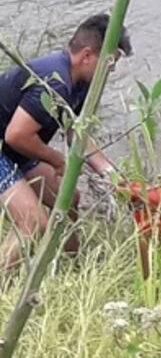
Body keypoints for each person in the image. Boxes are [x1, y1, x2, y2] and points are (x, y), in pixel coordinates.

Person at [0, 14, 131, 268]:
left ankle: (71, 266)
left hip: (15, 148)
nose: (110, 72)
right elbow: (16, 135)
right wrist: (56, 159)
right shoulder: (54, 81)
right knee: (33, 223)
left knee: (68, 200)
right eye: (109, 64)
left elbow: (74, 132)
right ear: (87, 56)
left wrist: (110, 173)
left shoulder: (79, 82)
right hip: (7, 146)